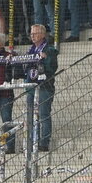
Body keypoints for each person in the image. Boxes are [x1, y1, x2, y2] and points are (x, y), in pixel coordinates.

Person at [24, 23, 58, 152]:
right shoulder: (30, 50)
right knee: (30, 115)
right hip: (31, 87)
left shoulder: (49, 50)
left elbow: (52, 68)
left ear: (43, 35)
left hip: (44, 87)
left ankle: (44, 142)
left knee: (43, 114)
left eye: (35, 33)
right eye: (31, 33)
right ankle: (32, 141)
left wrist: (44, 60)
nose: (32, 36)